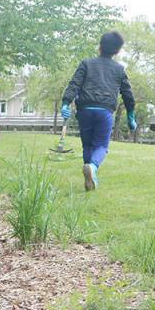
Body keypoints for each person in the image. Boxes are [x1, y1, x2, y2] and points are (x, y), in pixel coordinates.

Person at [61, 31, 136, 191]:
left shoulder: (86, 63)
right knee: (101, 145)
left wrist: (66, 103)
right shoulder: (119, 69)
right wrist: (131, 115)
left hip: (85, 110)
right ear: (117, 51)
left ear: (100, 46)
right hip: (104, 111)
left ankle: (89, 178)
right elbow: (128, 94)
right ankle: (93, 168)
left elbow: (74, 84)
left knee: (87, 145)